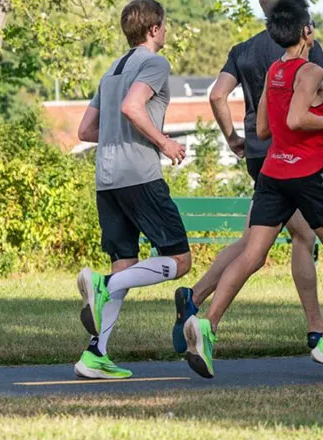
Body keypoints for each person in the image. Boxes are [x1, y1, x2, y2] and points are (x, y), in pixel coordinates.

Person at [181, 0, 323, 378]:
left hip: (273, 173)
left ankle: (208, 325)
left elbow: (263, 129)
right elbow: (297, 117)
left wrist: (316, 107)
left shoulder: (275, 70)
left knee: (251, 254)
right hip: (307, 172)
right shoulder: (308, 69)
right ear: (306, 31)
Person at [72, 0, 192, 380]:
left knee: (125, 263)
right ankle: (103, 284)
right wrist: (164, 143)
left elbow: (86, 131)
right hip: (139, 176)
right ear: (155, 30)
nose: (166, 32)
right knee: (180, 260)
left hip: (106, 181)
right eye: (165, 27)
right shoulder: (154, 63)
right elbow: (132, 106)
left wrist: (119, 136)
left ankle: (95, 355)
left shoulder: (111, 70)